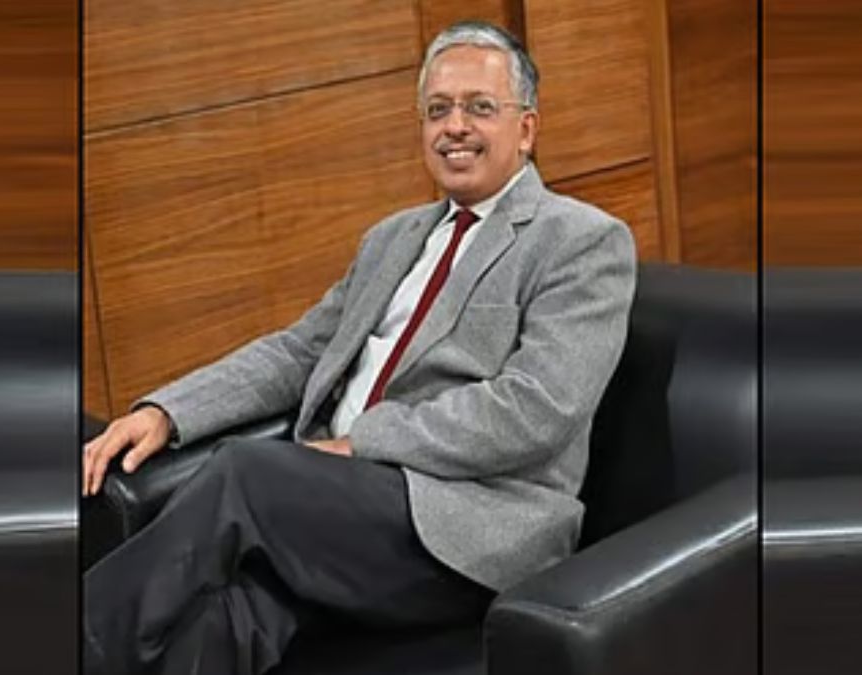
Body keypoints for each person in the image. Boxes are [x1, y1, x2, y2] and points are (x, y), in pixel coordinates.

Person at [83, 20, 637, 675]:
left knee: (244, 472)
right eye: (438, 110)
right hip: (344, 512)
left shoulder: (582, 240)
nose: (455, 126)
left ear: (526, 129)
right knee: (227, 617)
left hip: (465, 527)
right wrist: (167, 411)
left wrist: (362, 444)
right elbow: (297, 352)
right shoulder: (392, 238)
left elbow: (535, 409)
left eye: (480, 107)